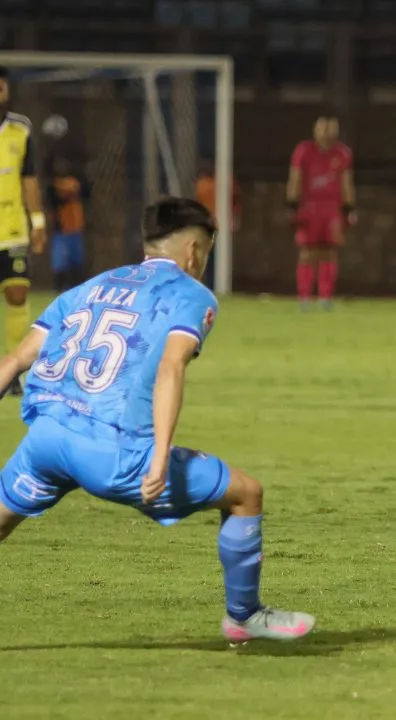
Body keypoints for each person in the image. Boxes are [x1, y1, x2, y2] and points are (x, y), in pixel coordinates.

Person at [0, 197, 315, 642]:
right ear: (193, 251)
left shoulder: (91, 285)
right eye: (205, 250)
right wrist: (160, 455)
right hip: (113, 454)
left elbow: (14, 360)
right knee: (246, 493)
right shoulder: (191, 295)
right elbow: (171, 367)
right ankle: (244, 616)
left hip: (46, 439)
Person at [0, 66, 47, 396]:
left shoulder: (21, 129)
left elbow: (29, 180)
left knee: (17, 293)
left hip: (13, 228)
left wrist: (38, 221)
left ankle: (13, 370)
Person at [286, 115, 357, 309]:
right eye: (323, 128)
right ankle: (304, 297)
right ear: (315, 130)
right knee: (307, 252)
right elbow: (296, 177)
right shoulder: (304, 151)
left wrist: (349, 207)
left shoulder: (342, 154)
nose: (326, 133)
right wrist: (292, 203)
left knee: (329, 252)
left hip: (331, 210)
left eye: (330, 128)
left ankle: (325, 297)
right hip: (309, 208)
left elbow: (346, 182)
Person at [194, 157, 241, 289]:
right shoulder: (205, 184)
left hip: (218, 226)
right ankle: (212, 284)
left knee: (214, 259)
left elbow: (235, 203)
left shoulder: (207, 184)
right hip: (211, 227)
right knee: (211, 259)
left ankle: (217, 284)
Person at [45, 154, 90, 291]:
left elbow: (87, 193)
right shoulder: (53, 187)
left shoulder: (76, 183)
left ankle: (79, 289)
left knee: (77, 262)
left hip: (75, 229)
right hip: (61, 231)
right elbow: (55, 201)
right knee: (60, 263)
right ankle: (59, 289)